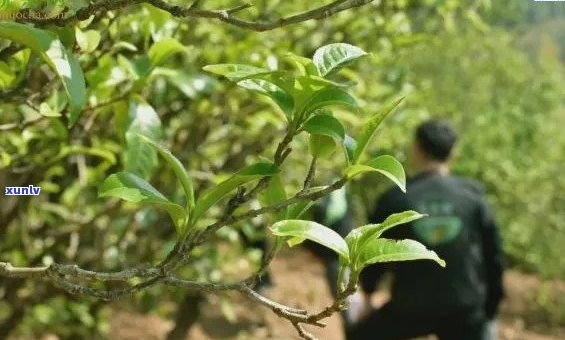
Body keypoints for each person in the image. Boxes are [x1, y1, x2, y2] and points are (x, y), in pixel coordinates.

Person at [346, 119, 505, 340]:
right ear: (453, 152)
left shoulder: (396, 197)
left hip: (410, 308)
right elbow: (493, 255)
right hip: (464, 309)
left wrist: (369, 295)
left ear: (416, 148)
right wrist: (491, 308)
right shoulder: (473, 196)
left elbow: (373, 252)